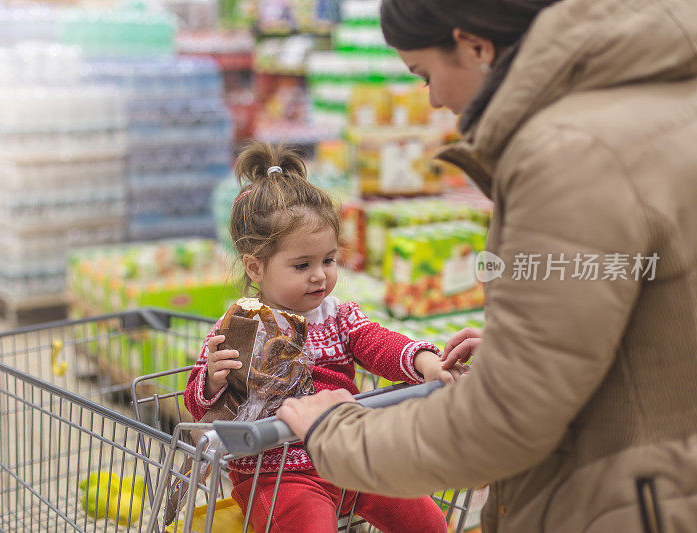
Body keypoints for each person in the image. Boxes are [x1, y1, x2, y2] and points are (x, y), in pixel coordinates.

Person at [276, 0, 697, 531]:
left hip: (624, 501)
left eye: (426, 74)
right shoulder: (659, 99)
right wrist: (525, 341)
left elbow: (503, 421)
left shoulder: (569, 155)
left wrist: (333, 431)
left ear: (475, 46)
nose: (432, 101)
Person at [183, 141, 466, 532]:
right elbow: (199, 408)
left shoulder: (339, 316)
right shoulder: (237, 329)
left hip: (349, 451)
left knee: (427, 519)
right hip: (278, 474)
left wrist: (428, 363)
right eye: (302, 265)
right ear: (255, 268)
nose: (320, 275)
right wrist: (213, 378)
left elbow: (379, 343)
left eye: (328, 260)